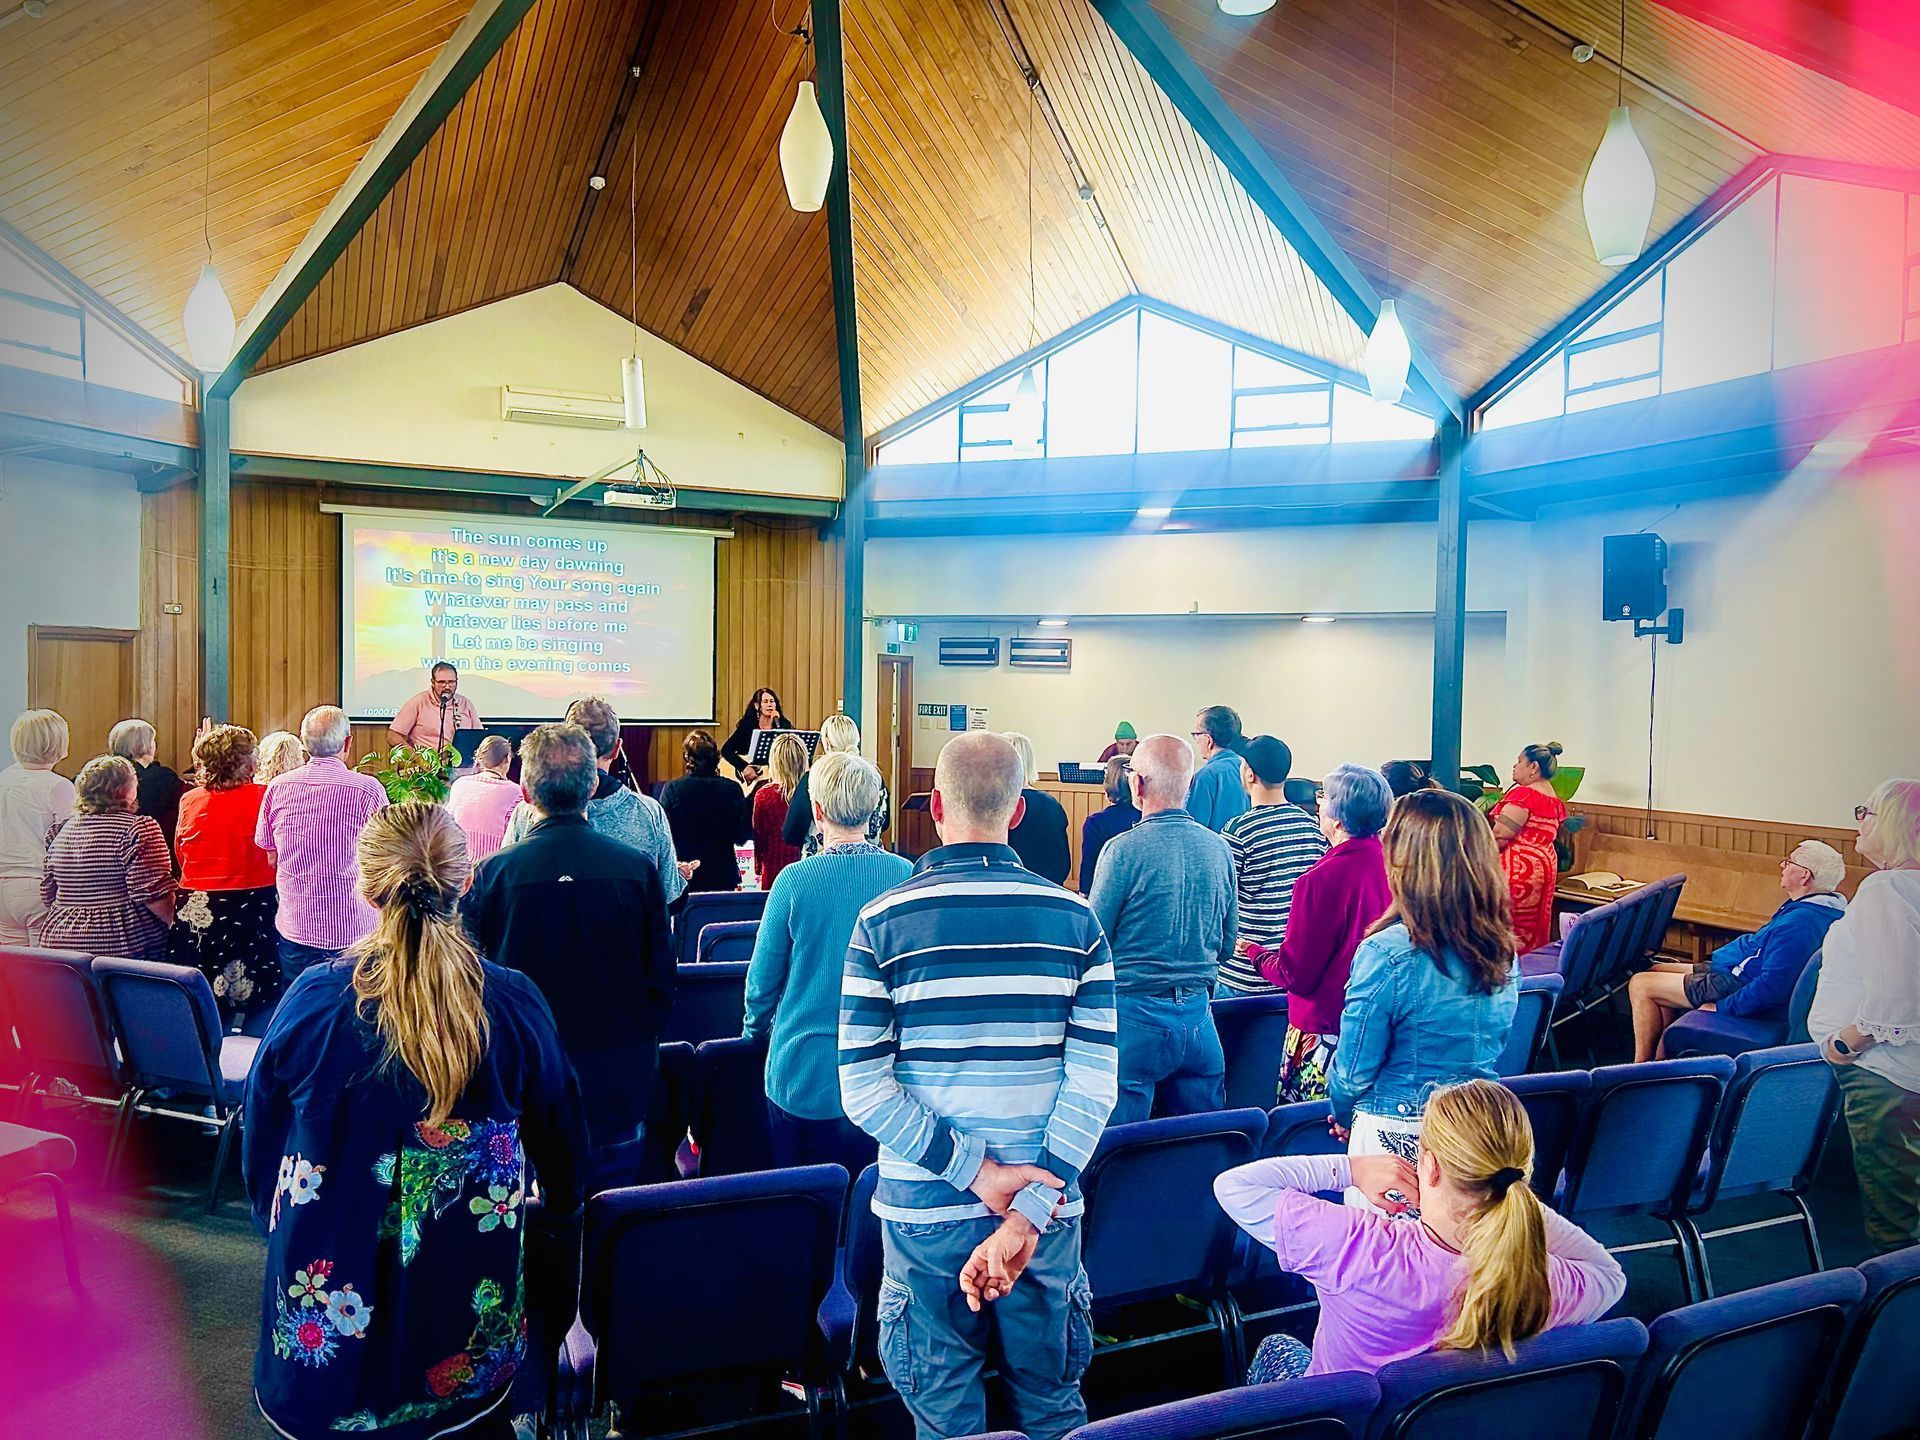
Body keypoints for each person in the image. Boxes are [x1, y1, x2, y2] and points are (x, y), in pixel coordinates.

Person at [242, 802, 587, 1440]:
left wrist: (277, 1219)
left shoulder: (313, 1000)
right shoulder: (510, 1001)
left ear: (366, 885)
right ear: (466, 881)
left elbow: (259, 1147)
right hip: (466, 1296)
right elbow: (566, 1160)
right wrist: (558, 1240)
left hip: (324, 1288)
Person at [840, 731, 1116, 1440]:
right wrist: (1022, 1205)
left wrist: (978, 1173)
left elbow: (863, 1090)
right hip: (1047, 1213)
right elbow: (1095, 1088)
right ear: (1019, 812)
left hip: (926, 1211)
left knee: (947, 1420)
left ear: (933, 806)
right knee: (1055, 1410)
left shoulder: (881, 923)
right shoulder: (1077, 920)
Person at [1215, 1079, 1625, 1383]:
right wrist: (1509, 1196)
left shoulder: (1359, 1245)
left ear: (1428, 1167)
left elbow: (1234, 1187)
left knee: (1276, 1348)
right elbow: (1611, 1275)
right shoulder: (1541, 1277)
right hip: (1441, 1423)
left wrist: (1353, 1169)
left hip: (1344, 1425)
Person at [465, 724, 673, 1191]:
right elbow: (660, 981)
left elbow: (474, 987)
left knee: (524, 1229)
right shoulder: (636, 870)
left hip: (520, 1081)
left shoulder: (493, 875)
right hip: (615, 1081)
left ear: (523, 789)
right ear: (594, 784)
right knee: (611, 1223)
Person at [1329, 789, 1519, 1208]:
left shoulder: (1387, 952)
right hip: (1478, 1131)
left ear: (1403, 861)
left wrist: (1345, 1115)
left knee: (1388, 1265)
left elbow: (1354, 1072)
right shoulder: (1502, 949)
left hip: (1396, 1136)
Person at [745, 752, 910, 1173]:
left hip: (802, 1072)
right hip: (886, 1076)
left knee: (802, 1208)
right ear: (875, 811)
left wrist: (753, 1034)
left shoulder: (794, 881)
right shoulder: (907, 875)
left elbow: (762, 985)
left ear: (817, 811)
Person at [1089, 734, 1236, 1125]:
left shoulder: (1122, 850)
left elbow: (1094, 940)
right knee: (1201, 1147)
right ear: (1189, 785)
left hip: (1133, 1020)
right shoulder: (1219, 849)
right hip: (1200, 1021)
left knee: (1122, 1154)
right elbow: (1227, 945)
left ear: (1136, 784)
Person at [1241, 765, 1395, 1102]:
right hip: (1379, 1025)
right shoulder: (1393, 864)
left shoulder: (1319, 881)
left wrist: (1255, 953)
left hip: (1324, 1031)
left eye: (1323, 797)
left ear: (1338, 819)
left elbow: (1297, 975)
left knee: (1309, 1134)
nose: (1319, 803)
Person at [1811, 778, 1920, 1253]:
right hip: (1907, 1074)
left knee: (1895, 1220)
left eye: (1867, 811)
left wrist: (1843, 1045)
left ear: (1894, 825)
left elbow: (1897, 997)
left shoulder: (1887, 887)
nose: (1858, 820)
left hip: (1885, 1077)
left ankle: (1893, 1321)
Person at [1628, 840, 1849, 1062]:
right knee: (1656, 968)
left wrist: (1723, 1008)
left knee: (1641, 984)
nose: (1782, 865)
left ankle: (1639, 1066)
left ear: (1804, 876)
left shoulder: (1800, 924)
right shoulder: (1822, 907)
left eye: (1789, 862)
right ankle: (1660, 1058)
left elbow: (1773, 986)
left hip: (1735, 981)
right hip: (1734, 968)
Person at [501, 696, 688, 905]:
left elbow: (505, 886)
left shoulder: (529, 810)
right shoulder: (648, 813)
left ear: (567, 744)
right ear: (617, 748)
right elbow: (670, 898)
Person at [256, 706, 389, 981]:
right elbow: (385, 857)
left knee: (302, 1013)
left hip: (297, 925)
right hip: (354, 928)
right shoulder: (368, 789)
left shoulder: (278, 787)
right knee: (357, 1013)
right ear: (348, 743)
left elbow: (271, 857)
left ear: (304, 743)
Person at [169, 725, 281, 1032]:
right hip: (253, 906)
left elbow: (181, 853)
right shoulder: (265, 796)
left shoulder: (190, 800)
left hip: (199, 907)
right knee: (261, 999)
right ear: (247, 762)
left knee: (205, 1005)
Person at [1218, 736, 1329, 996]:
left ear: (1249, 774)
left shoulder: (1238, 831)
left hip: (1244, 972)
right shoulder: (1311, 827)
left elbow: (1221, 898)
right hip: (1294, 971)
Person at [40, 754, 175, 959]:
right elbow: (154, 895)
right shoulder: (138, 828)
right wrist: (177, 927)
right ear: (126, 789)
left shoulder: (59, 831)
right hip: (121, 944)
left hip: (59, 944)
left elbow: (48, 893)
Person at [0, 708, 74, 944]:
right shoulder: (58, 786)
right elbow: (71, 843)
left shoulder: (3, 779)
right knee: (42, 972)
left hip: (4, 887)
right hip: (38, 887)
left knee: (13, 972)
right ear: (57, 743)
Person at [1492, 742, 1568, 954]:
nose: (1515, 767)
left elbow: (1500, 835)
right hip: (1543, 866)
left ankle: (1507, 974)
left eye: (1519, 762)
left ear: (1533, 767)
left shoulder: (1525, 795)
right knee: (1533, 924)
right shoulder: (1552, 798)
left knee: (1511, 924)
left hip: (1519, 868)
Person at [784, 713, 890, 856]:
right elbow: (885, 823)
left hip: (820, 868)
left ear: (826, 743)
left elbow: (791, 833)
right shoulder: (874, 776)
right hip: (875, 865)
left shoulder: (813, 778)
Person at [661, 730, 752, 892]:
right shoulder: (732, 789)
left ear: (687, 758)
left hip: (686, 875)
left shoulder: (673, 790)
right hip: (723, 874)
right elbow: (741, 835)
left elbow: (664, 836)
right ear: (716, 757)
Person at [110, 717, 187, 860]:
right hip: (153, 850)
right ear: (147, 745)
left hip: (110, 850)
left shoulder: (104, 775)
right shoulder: (163, 777)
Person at [1005, 731, 1071, 886]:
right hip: (1048, 887)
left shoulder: (997, 804)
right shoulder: (1052, 804)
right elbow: (1062, 861)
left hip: (1006, 887)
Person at [446, 735, 521, 864]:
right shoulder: (516, 793)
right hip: (497, 868)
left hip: (459, 866)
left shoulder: (459, 784)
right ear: (507, 758)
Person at [751, 733, 808, 890]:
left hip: (774, 869)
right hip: (807, 868)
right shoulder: (812, 792)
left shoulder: (764, 796)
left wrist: (757, 866)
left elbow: (759, 838)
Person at [386, 661, 480, 755]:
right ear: (433, 682)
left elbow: (480, 738)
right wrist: (417, 759)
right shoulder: (418, 702)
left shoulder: (465, 704)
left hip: (462, 766)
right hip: (426, 766)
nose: (447, 687)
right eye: (441, 682)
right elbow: (393, 736)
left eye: (451, 682)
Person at [1078, 756, 1139, 897]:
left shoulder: (1096, 822)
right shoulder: (1147, 817)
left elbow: (1089, 865)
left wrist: (1084, 894)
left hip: (1108, 893)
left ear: (1108, 783)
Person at [1186, 704, 1249, 832]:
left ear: (1209, 740)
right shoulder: (1248, 770)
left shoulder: (1205, 777)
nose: (1196, 740)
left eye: (1197, 734)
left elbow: (1195, 830)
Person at [720, 685, 793, 785]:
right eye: (765, 702)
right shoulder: (748, 725)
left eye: (772, 701)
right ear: (757, 706)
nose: (769, 705)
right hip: (752, 778)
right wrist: (743, 767)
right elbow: (726, 750)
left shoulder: (784, 725)